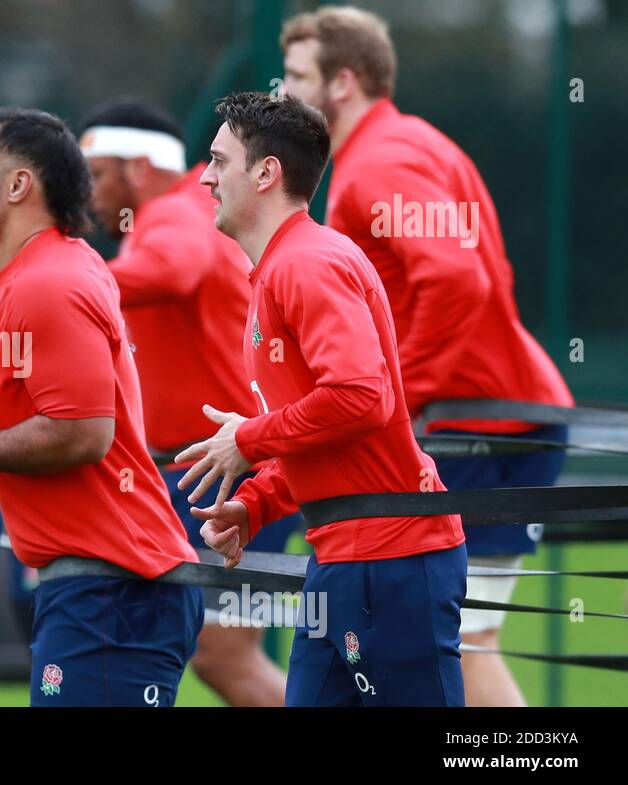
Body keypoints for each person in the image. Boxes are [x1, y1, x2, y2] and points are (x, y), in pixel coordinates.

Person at [279, 5, 573, 706]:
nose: (282, 92)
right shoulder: (406, 143)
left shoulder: (378, 160)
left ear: (342, 83)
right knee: (457, 645)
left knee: (463, 647)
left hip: (484, 431)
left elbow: (455, 277)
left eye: (295, 76)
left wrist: (392, 397)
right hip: (495, 420)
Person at [186, 91, 466, 706]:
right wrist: (255, 505)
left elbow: (360, 396)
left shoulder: (306, 264)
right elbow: (327, 431)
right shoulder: (281, 268)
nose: (204, 177)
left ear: (266, 173)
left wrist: (248, 439)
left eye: (218, 161)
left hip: (391, 560)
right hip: (341, 558)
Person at [0, 106, 202, 707]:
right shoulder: (33, 276)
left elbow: (84, 433)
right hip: (99, 585)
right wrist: (3, 465)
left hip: (112, 588)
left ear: (19, 185)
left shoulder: (48, 281)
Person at [79, 98, 290, 706]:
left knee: (221, 658)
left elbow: (174, 269)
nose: (88, 190)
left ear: (139, 169)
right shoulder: (185, 211)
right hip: (209, 467)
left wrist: (55, 275)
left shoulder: (172, 216)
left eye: (96, 173)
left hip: (225, 471)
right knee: (207, 655)